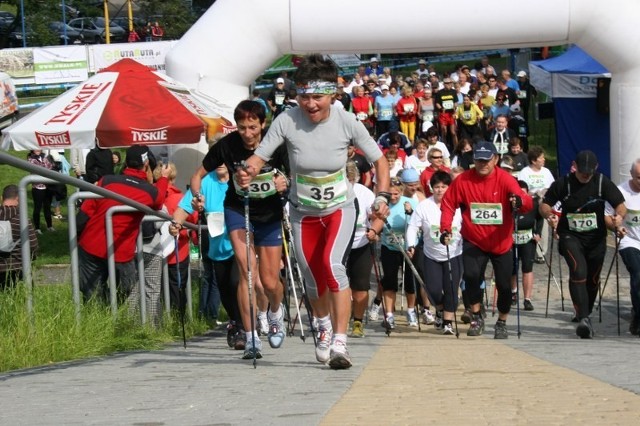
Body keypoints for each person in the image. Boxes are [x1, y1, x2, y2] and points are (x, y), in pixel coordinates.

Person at [236, 54, 390, 369]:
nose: (310, 104)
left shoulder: (346, 120)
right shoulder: (287, 120)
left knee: (333, 267)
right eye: (304, 96)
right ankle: (322, 325)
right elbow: (260, 157)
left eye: (317, 97)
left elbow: (380, 160)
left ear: (333, 93)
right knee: (311, 279)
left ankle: (340, 343)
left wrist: (383, 194)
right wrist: (247, 171)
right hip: (303, 212)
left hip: (339, 209)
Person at [187, 100, 289, 361]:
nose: (248, 133)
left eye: (253, 127)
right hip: (238, 209)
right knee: (246, 271)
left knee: (269, 280)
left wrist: (283, 182)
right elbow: (196, 176)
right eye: (242, 127)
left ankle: (275, 311)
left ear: (262, 124)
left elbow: (293, 177)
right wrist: (197, 196)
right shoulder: (227, 145)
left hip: (268, 214)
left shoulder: (275, 144)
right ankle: (251, 335)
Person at [440, 141, 533, 339]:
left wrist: (519, 202)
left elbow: (527, 203)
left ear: (496, 159)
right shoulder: (463, 180)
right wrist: (445, 228)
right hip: (474, 239)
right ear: (473, 160)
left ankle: (502, 321)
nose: (482, 164)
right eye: (478, 160)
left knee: (504, 285)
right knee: (472, 278)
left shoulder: (506, 179)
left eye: (487, 160)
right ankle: (476, 316)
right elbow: (448, 204)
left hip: (501, 242)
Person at [540, 150, 625, 338]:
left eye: (589, 172)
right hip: (570, 236)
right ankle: (583, 318)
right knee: (578, 271)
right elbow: (545, 204)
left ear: (595, 168)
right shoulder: (563, 183)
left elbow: (620, 204)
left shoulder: (602, 182)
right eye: (582, 171)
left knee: (592, 279)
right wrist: (549, 215)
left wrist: (619, 217)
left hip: (596, 239)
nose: (585, 175)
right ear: (574, 166)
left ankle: (584, 310)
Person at [78, 145, 170, 302]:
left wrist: (76, 236)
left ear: (126, 161)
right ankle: (110, 312)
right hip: (121, 251)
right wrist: (163, 178)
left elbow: (85, 212)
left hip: (91, 244)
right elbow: (160, 200)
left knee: (92, 297)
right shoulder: (149, 192)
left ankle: (99, 314)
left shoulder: (106, 180)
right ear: (146, 163)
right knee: (125, 290)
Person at [172, 164, 244, 348]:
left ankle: (244, 327)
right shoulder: (205, 182)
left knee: (237, 282)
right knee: (225, 288)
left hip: (240, 243)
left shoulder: (238, 179)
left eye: (223, 160)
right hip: (217, 246)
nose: (220, 165)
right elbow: (184, 207)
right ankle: (235, 322)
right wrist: (175, 223)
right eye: (216, 160)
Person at [407, 171, 462, 334]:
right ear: (432, 188)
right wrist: (411, 244)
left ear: (449, 187)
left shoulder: (458, 206)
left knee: (451, 288)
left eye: (444, 187)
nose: (440, 190)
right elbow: (413, 227)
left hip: (454, 253)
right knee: (433, 289)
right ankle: (439, 308)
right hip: (431, 255)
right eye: (436, 187)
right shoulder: (424, 206)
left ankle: (447, 322)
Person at [369, 178, 419, 329]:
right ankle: (389, 314)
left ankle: (411, 311)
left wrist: (410, 212)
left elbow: (417, 224)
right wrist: (375, 234)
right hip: (389, 247)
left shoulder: (410, 203)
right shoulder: (381, 205)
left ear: (401, 192)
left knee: (410, 282)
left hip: (408, 248)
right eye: (390, 194)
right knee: (390, 280)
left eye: (396, 193)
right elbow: (375, 223)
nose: (393, 197)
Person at [607, 159, 640, 336]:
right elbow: (607, 215)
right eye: (639, 178)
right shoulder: (620, 192)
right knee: (638, 273)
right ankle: (638, 315)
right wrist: (616, 225)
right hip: (629, 240)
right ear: (631, 175)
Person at [345, 161, 375, 338]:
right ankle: (340, 318)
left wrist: (374, 230)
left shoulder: (365, 193)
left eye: (350, 177)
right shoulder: (335, 191)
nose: (348, 181)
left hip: (360, 242)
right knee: (340, 285)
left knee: (361, 285)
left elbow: (375, 215)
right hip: (340, 243)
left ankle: (357, 321)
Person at [518, 145, 555, 263]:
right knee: (531, 224)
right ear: (534, 161)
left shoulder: (547, 172)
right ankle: (530, 249)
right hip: (530, 201)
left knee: (543, 225)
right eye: (541, 158)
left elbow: (552, 188)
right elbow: (521, 189)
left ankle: (541, 252)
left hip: (543, 201)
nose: (544, 160)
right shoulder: (524, 172)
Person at [511, 180, 544, 311]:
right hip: (512, 239)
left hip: (528, 239)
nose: (521, 197)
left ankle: (527, 299)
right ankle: (513, 292)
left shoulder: (533, 204)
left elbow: (540, 218)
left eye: (524, 194)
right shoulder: (510, 205)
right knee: (512, 268)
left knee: (527, 268)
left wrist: (538, 233)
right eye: (519, 194)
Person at [0, 185, 38, 290]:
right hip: (18, 269)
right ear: (18, 198)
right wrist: (31, 259)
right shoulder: (22, 219)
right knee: (23, 301)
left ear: (2, 198)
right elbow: (33, 245)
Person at [27, 150, 54, 234]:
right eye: (35, 148)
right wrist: (46, 168)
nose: (38, 149)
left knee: (47, 207)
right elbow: (38, 171)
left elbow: (51, 167)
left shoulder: (44, 157)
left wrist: (50, 163)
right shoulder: (31, 160)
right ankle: (37, 228)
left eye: (39, 148)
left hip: (47, 186)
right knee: (37, 208)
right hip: (37, 187)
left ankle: (50, 226)